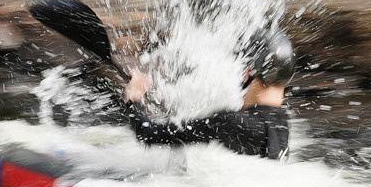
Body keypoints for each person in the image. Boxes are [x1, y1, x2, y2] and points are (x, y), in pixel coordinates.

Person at [119, 37, 293, 160]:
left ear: (247, 72)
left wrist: (134, 98)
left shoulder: (234, 123)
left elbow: (148, 134)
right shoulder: (282, 125)